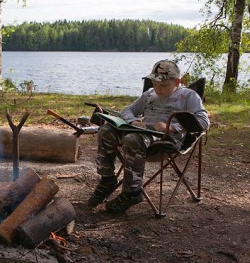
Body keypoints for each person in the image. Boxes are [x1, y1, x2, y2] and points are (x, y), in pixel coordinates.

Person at [88, 59, 210, 214]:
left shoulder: (188, 96)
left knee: (132, 139)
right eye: (155, 83)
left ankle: (132, 192)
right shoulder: (149, 94)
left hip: (165, 140)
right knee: (106, 130)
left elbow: (203, 121)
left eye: (163, 85)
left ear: (178, 82)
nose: (158, 89)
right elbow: (128, 110)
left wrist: (172, 127)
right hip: (141, 133)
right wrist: (133, 121)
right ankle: (107, 179)